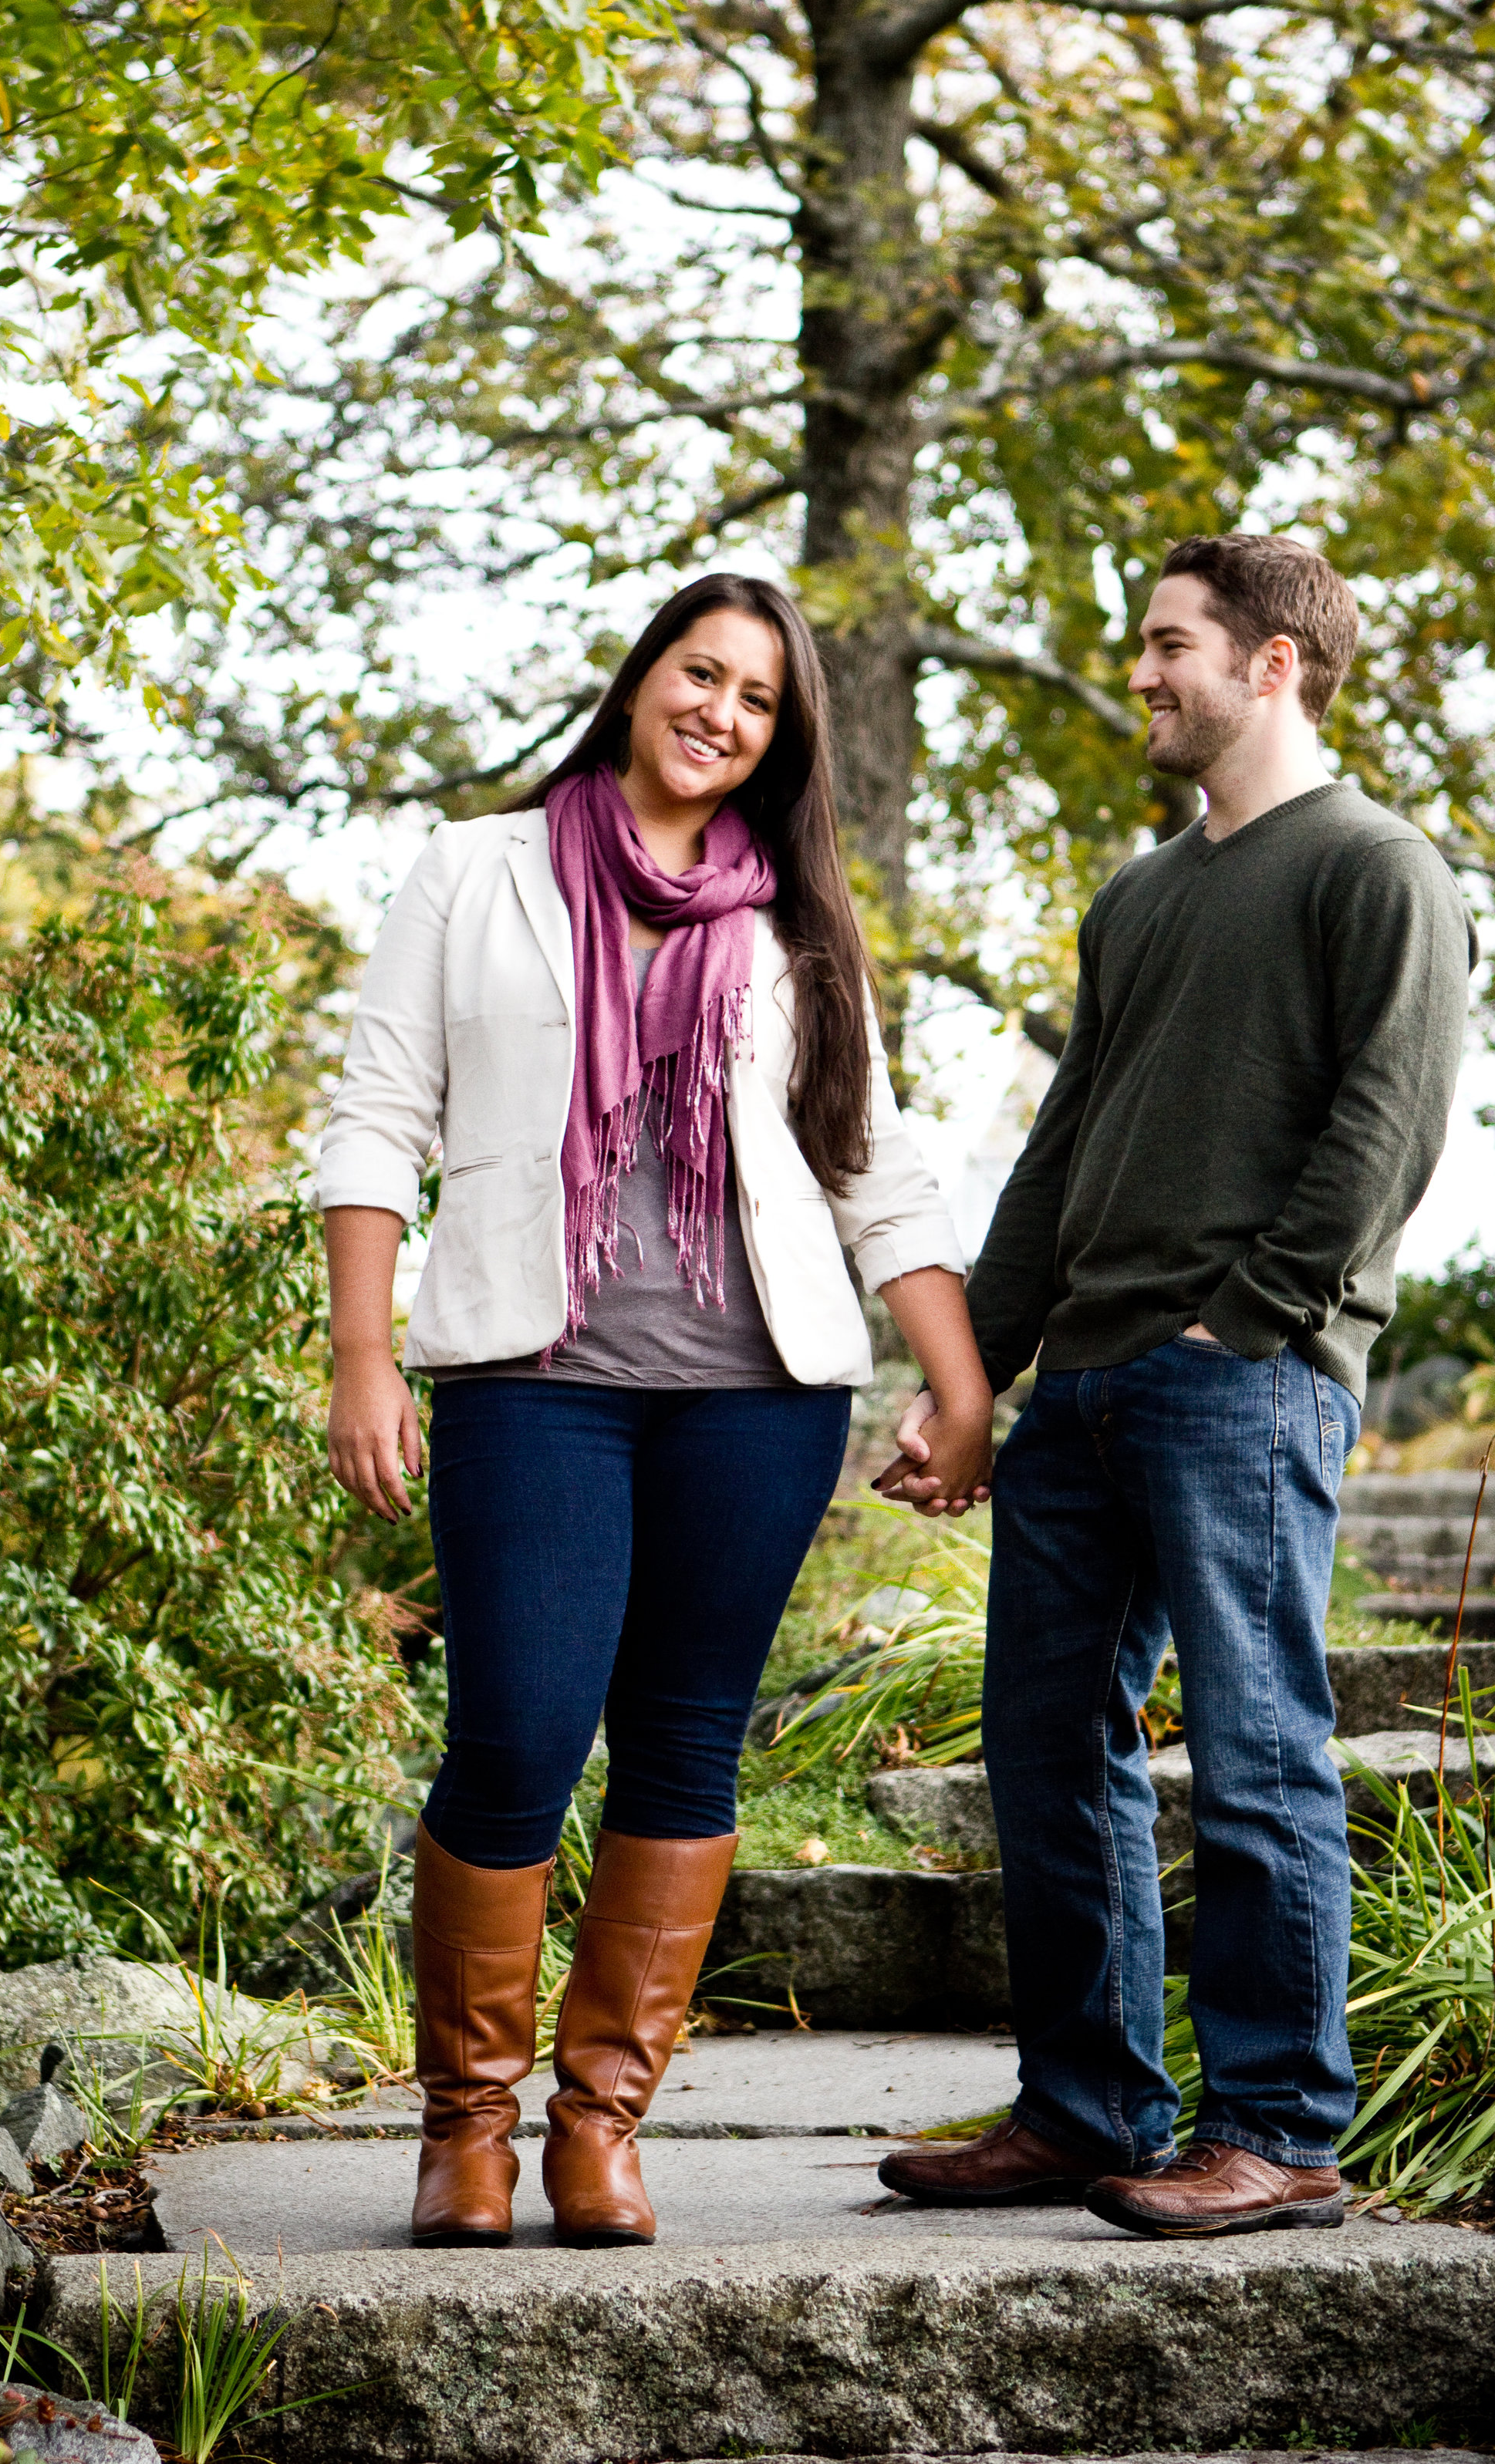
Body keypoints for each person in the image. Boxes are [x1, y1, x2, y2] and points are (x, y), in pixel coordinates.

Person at [318, 572, 994, 2251]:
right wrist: (361, 1356)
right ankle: (461, 2128)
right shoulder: (473, 871)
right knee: (517, 1738)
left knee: (685, 1743)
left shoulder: (793, 922)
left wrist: (959, 1377)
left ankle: (599, 2128)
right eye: (702, 674)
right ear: (639, 683)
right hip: (531, 1383)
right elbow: (375, 1115)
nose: (722, 713)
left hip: (756, 1396)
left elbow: (867, 1164)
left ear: (780, 740)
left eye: (759, 700)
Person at [879, 534, 1477, 2238]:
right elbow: (1060, 1153)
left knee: (1253, 1748)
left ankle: (1279, 2130)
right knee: (1040, 1745)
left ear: (1269, 662)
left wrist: (1252, 1316)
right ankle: (1085, 2110)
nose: (1139, 673)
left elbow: (1390, 1115)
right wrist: (970, 1370)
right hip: (1081, 1386)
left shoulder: (1373, 866)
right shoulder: (1138, 895)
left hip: (1243, 1381)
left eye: (1166, 644)